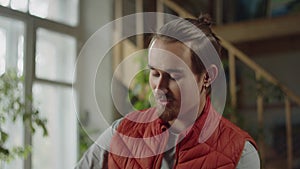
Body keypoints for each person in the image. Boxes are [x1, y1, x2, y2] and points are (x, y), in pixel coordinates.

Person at [75, 14, 260, 169]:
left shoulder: (241, 154)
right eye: (154, 73)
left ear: (207, 76)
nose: (159, 87)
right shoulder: (121, 133)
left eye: (173, 76)